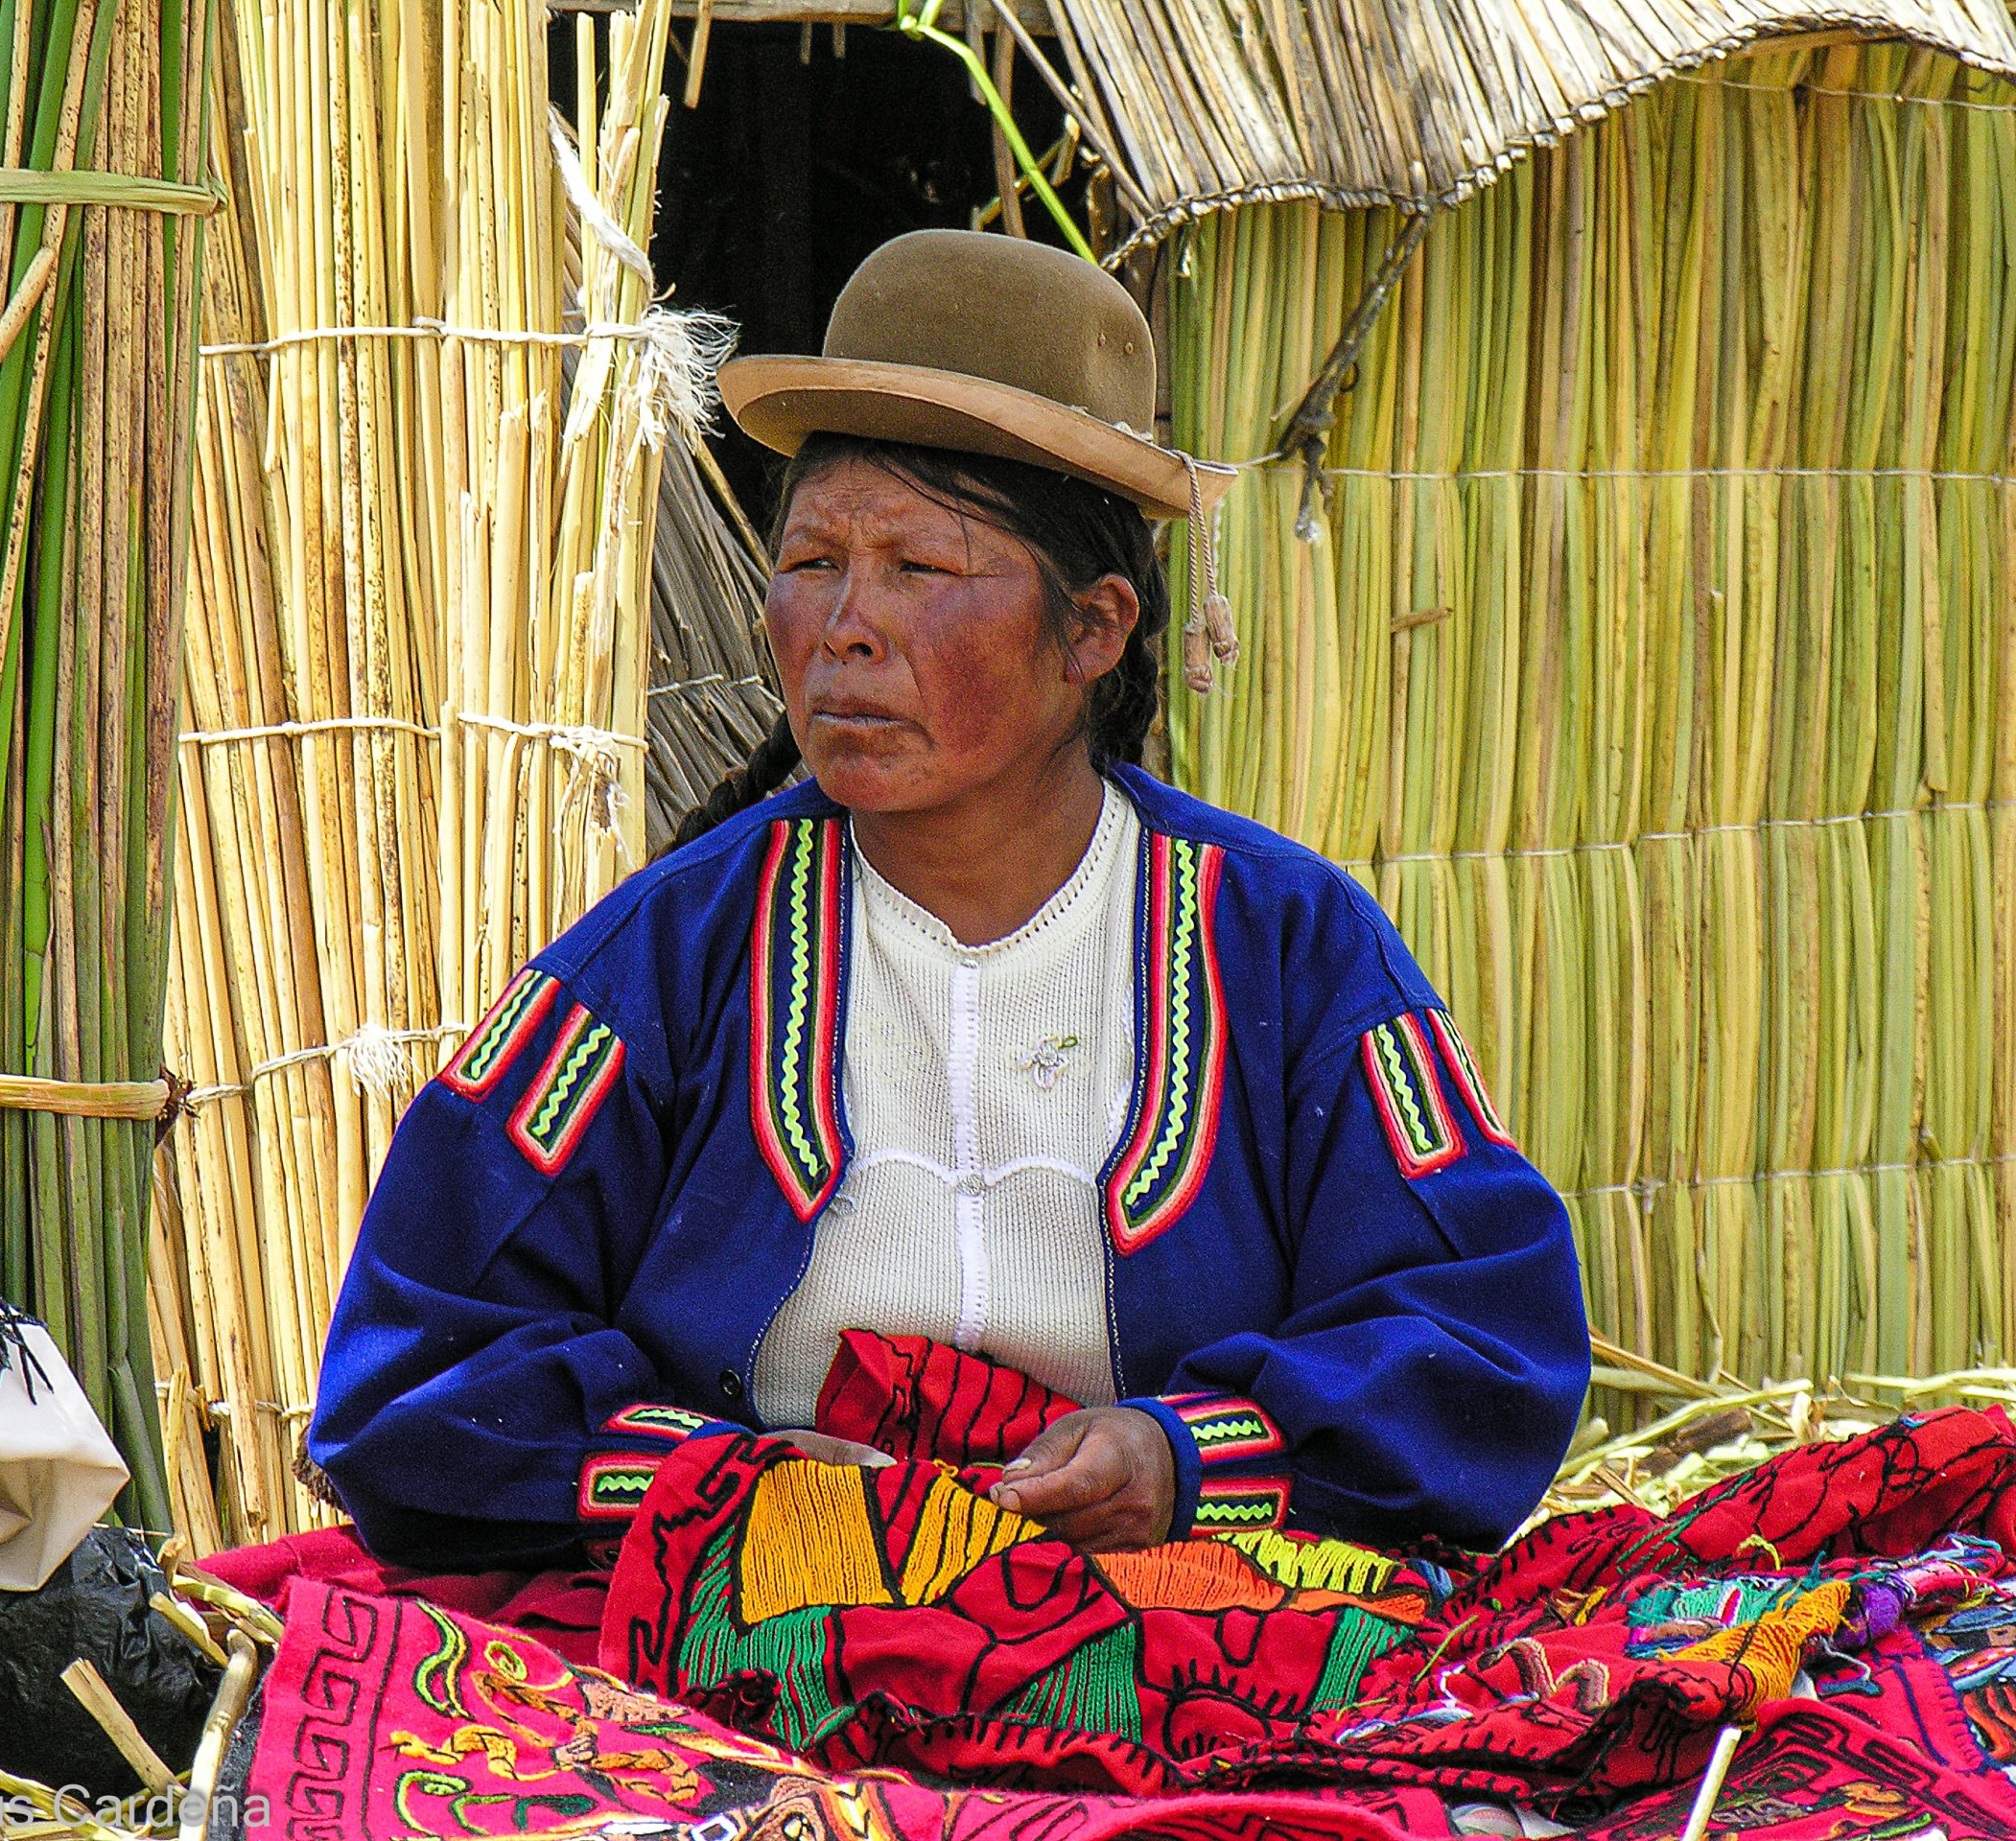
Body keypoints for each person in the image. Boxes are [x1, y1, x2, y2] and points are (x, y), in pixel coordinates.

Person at [309, 229, 1588, 1573]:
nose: (844, 626)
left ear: (1092, 630)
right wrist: (722, 1485)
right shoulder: (663, 959)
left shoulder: (1286, 946)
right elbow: (416, 1377)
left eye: (919, 570)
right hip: (757, 1616)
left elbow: (1484, 1342)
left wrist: (1183, 1460)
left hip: (1176, 1613)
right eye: (813, 563)